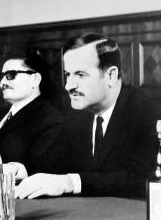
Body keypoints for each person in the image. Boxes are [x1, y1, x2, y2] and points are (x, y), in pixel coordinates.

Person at [16, 33, 158, 199]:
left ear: (110, 75)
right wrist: (19, 169)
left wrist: (70, 183)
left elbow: (139, 180)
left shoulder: (146, 112)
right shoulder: (77, 112)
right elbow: (52, 162)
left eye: (80, 75)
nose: (68, 86)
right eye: (67, 74)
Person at [0, 53, 62, 185]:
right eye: (1, 76)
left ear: (35, 79)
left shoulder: (50, 119)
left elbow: (38, 166)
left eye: (11, 75)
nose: (2, 83)